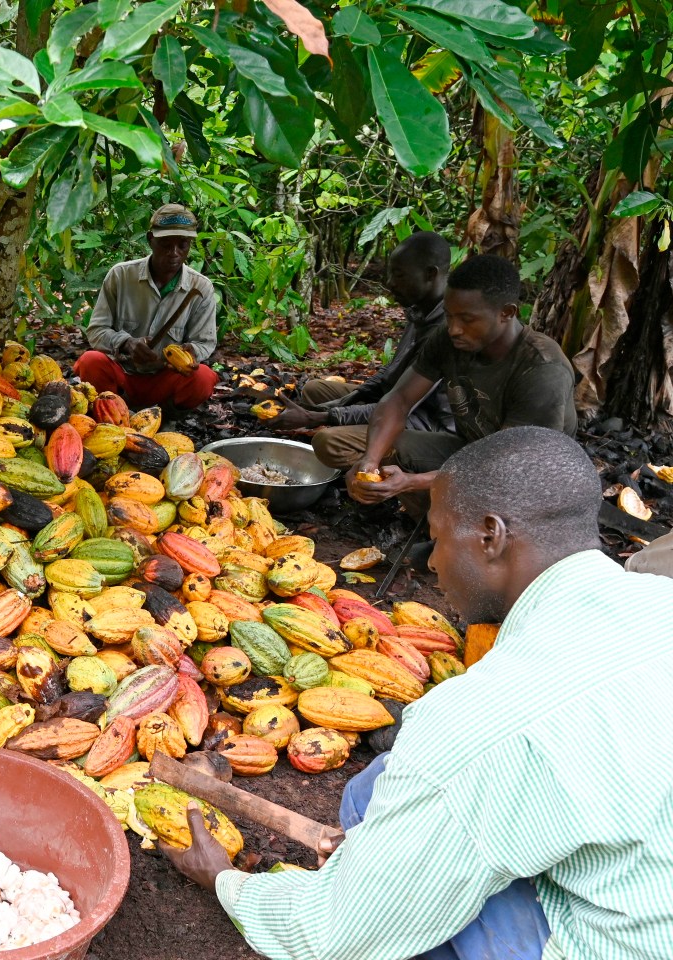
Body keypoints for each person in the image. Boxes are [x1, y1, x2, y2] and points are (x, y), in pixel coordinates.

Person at [166, 426, 673, 960]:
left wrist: (225, 881)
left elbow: (336, 936)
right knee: (376, 789)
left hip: (624, 942)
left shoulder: (483, 719)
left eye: (437, 537)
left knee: (401, 905)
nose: (431, 563)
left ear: (490, 535)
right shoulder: (658, 598)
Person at [345, 254, 576, 516]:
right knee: (391, 445)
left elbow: (509, 468)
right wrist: (370, 460)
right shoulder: (449, 338)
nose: (454, 329)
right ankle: (433, 523)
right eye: (449, 316)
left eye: (467, 319)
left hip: (527, 482)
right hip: (471, 453)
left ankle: (457, 531)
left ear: (506, 313)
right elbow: (399, 399)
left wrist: (412, 482)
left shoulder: (542, 369)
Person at [269, 232, 456, 468]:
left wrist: (321, 417)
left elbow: (401, 406)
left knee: (328, 442)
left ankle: (386, 470)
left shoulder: (449, 327)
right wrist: (339, 403)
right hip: (396, 401)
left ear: (430, 274)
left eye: (399, 275)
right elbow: (391, 374)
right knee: (316, 390)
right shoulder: (420, 310)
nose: (389, 283)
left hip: (425, 422)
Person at [73, 203, 219, 411]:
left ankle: (165, 415)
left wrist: (189, 352)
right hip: (123, 374)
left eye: (183, 245)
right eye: (166, 245)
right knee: (91, 361)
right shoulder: (121, 276)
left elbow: (205, 342)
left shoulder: (201, 287)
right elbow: (97, 331)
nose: (174, 253)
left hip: (164, 380)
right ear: (151, 240)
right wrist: (126, 343)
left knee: (203, 378)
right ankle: (111, 411)